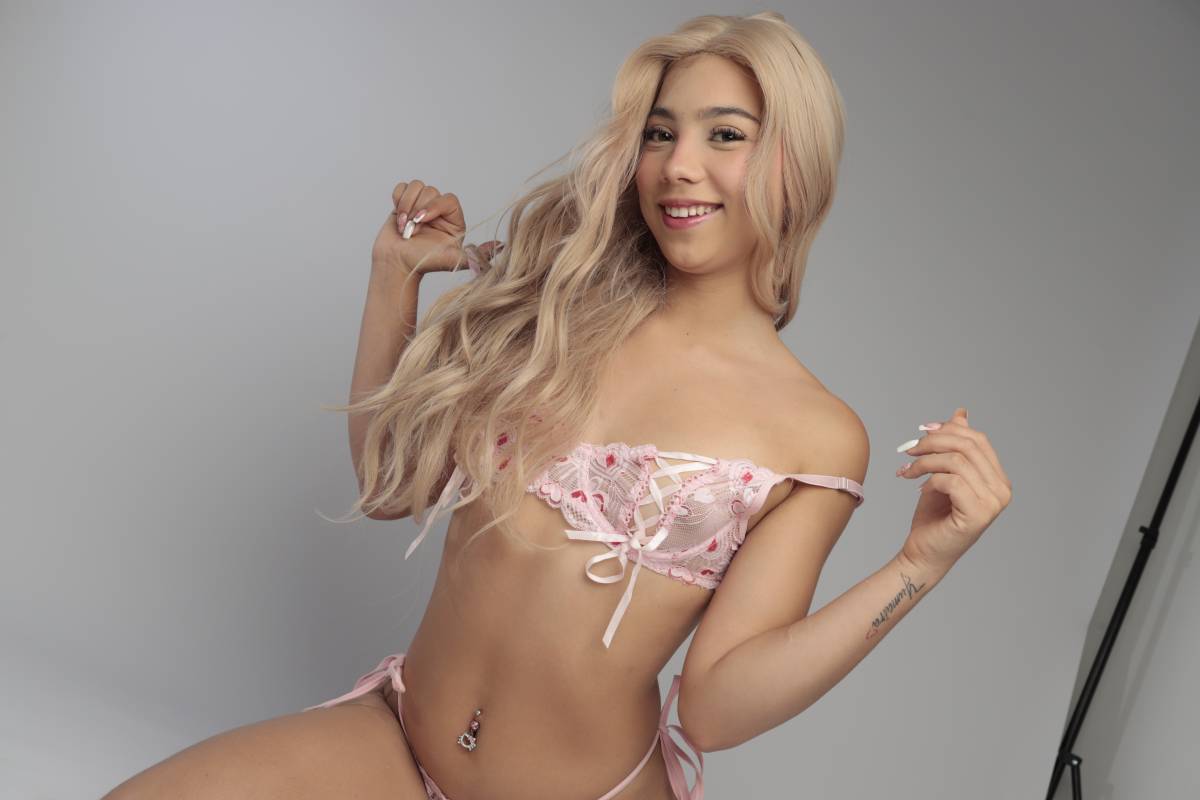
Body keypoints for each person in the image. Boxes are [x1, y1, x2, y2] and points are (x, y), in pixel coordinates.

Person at [104, 10, 1011, 800]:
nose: (679, 167)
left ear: (794, 164)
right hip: (399, 746)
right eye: (660, 134)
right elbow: (391, 486)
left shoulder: (816, 434)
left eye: (725, 136)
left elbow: (716, 709)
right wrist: (392, 280)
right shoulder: (554, 313)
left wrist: (918, 565)